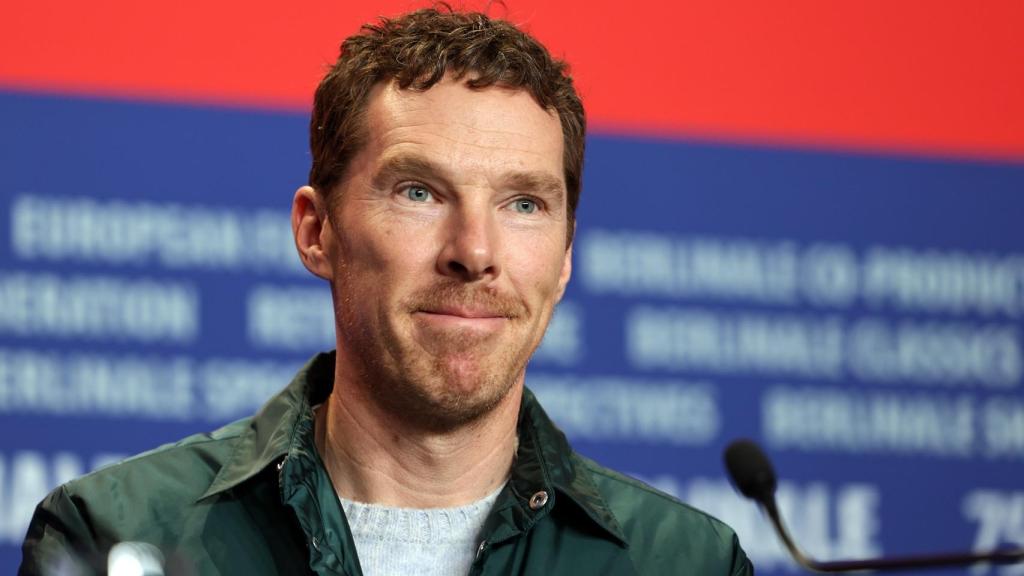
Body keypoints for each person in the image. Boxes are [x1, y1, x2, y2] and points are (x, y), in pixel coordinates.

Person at [20, 7, 753, 576]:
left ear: (564, 257)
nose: (474, 253)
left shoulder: (685, 561)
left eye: (524, 204)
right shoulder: (120, 533)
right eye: (419, 191)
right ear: (317, 231)